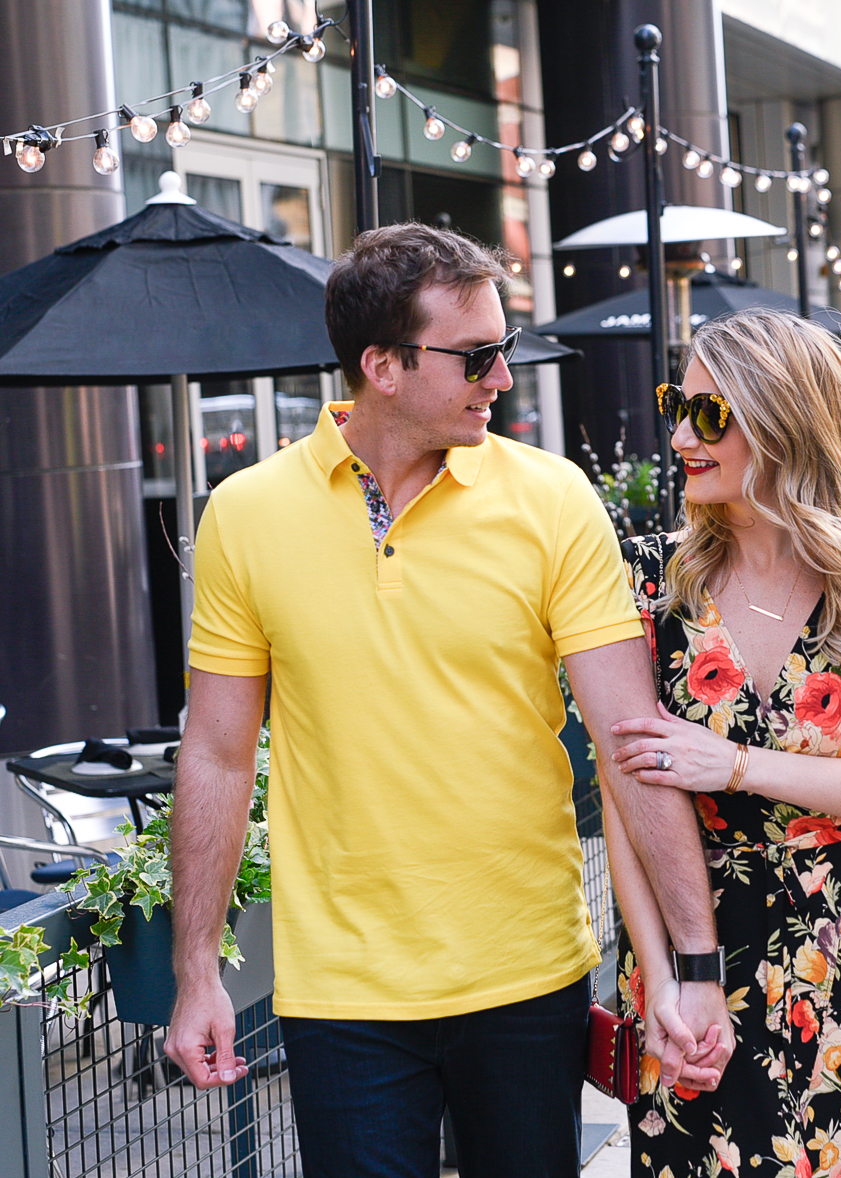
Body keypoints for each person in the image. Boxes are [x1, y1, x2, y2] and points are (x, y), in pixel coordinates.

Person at [162, 221, 725, 1178]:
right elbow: (217, 752)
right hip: (341, 994)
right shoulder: (246, 515)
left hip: (525, 976)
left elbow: (631, 742)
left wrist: (693, 967)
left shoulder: (553, 500)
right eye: (477, 356)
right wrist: (195, 971)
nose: (502, 377)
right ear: (381, 365)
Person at [604, 309, 841, 1177]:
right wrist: (657, 974)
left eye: (708, 414)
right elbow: (626, 805)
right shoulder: (646, 585)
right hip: (694, 949)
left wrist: (734, 765)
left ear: (782, 420)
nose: (678, 434)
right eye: (675, 403)